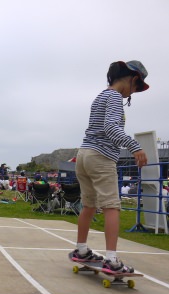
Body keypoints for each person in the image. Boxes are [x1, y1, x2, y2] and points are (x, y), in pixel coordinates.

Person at [71, 60, 149, 273]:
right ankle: (112, 260)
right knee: (111, 206)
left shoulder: (101, 95)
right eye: (135, 87)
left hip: (84, 154)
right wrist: (135, 147)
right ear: (133, 78)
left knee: (89, 205)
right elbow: (111, 128)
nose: (131, 94)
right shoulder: (114, 96)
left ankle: (81, 249)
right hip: (101, 156)